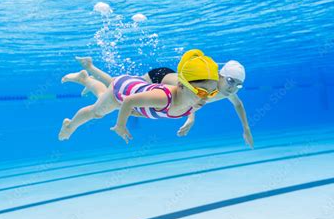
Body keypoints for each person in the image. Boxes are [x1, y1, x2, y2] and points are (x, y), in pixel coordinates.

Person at [74, 55, 254, 148]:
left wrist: (246, 129)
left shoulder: (225, 91)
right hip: (161, 77)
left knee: (117, 91)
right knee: (121, 88)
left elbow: (238, 104)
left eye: (238, 85)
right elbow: (181, 98)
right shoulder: (197, 84)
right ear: (220, 76)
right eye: (230, 81)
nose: (232, 88)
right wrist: (191, 118)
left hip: (176, 90)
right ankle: (90, 74)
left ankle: (89, 78)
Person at [58, 49, 219, 143]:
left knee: (103, 95)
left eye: (213, 92)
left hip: (135, 88)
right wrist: (121, 125)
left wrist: (191, 119)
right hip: (123, 90)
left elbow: (187, 107)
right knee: (96, 112)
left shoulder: (192, 100)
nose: (206, 99)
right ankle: (69, 126)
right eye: (201, 92)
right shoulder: (163, 98)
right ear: (181, 85)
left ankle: (86, 75)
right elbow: (128, 101)